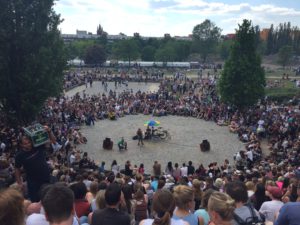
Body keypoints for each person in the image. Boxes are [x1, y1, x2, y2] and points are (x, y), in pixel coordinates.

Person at [15, 126, 55, 202]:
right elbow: (17, 169)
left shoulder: (38, 147)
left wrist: (49, 131)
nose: (28, 145)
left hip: (46, 177)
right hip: (33, 182)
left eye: (29, 142)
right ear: (21, 145)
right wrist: (19, 183)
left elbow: (53, 141)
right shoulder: (19, 155)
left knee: (50, 198)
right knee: (36, 201)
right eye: (25, 144)